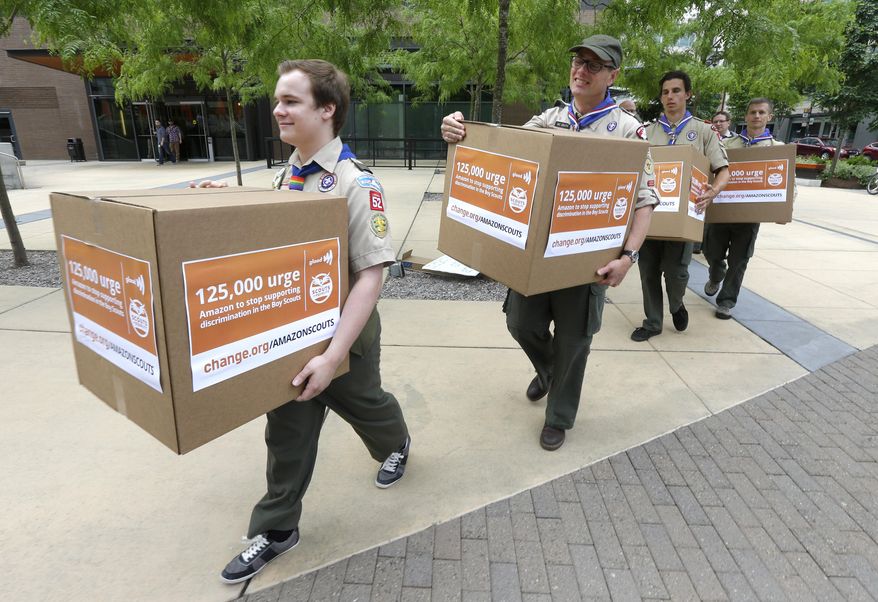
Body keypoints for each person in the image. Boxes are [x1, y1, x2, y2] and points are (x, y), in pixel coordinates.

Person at [197, 59, 411, 584]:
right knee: (287, 432)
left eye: (291, 100)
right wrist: (224, 205)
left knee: (368, 406)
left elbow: (371, 277)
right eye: (278, 99)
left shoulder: (356, 184)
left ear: (327, 109)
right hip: (289, 337)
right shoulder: (285, 175)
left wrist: (332, 356)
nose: (277, 109)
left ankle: (396, 444)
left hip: (346, 341)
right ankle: (276, 530)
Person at [441, 34, 658, 451]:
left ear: (612, 75)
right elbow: (505, 152)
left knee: (575, 340)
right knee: (520, 323)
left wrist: (628, 256)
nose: (581, 69)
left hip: (588, 259)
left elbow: (644, 200)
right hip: (540, 256)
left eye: (594, 65)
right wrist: (460, 131)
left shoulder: (629, 131)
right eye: (578, 61)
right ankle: (549, 373)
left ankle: (558, 415)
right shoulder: (551, 119)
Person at [631, 70, 729, 342]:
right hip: (649, 215)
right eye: (665, 92)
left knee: (676, 272)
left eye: (676, 91)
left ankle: (676, 304)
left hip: (684, 217)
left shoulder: (703, 131)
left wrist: (714, 191)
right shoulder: (646, 132)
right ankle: (652, 322)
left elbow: (723, 170)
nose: (670, 97)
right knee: (648, 271)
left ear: (687, 94)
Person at [703, 97, 782, 319]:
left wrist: (784, 209)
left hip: (749, 217)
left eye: (761, 112)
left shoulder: (777, 150)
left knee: (739, 260)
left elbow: (787, 183)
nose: (756, 116)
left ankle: (726, 301)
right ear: (746, 116)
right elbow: (711, 170)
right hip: (721, 212)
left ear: (769, 117)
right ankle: (716, 275)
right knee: (711, 252)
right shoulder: (728, 145)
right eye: (753, 112)